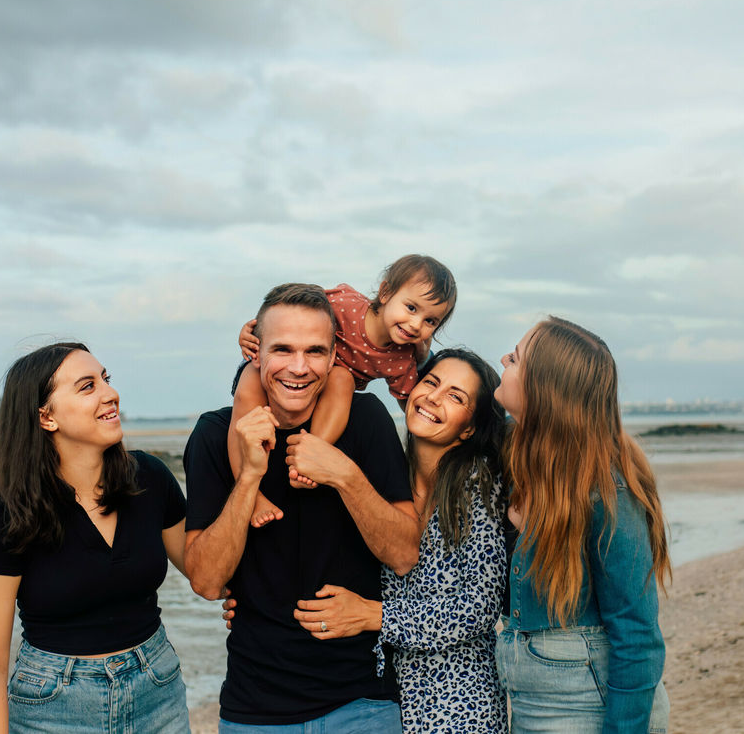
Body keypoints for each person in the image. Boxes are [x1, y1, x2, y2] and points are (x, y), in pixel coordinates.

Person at [227, 348, 510, 733]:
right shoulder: (384, 475)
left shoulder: (478, 486)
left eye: (456, 397)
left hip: (458, 701)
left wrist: (372, 615)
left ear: (469, 428)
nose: (434, 397)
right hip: (383, 700)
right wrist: (251, 601)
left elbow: (478, 609)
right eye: (431, 382)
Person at [183, 283, 423, 732]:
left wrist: (344, 474)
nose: (298, 367)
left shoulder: (367, 419)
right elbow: (207, 580)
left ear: (335, 356)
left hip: (363, 702)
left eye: (314, 351)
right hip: (255, 708)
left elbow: (405, 554)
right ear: (255, 355)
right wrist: (250, 477)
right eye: (282, 350)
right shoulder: (216, 435)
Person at [0, 342, 190, 733]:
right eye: (87, 386)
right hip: (53, 707)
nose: (110, 393)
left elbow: (210, 574)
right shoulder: (10, 514)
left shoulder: (151, 479)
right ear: (46, 417)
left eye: (106, 379)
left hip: (157, 689)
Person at [494, 318, 672, 734]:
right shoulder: (523, 453)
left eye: (515, 358)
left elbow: (638, 635)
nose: (502, 359)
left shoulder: (608, 491)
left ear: (543, 390)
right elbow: (450, 400)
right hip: (529, 700)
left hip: (588, 702)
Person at [228, 255, 457, 527]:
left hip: (328, 389)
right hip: (286, 371)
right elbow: (289, 311)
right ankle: (250, 492)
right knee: (248, 391)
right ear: (385, 293)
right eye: (410, 307)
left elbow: (410, 405)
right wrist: (250, 330)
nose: (416, 324)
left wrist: (423, 361)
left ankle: (308, 454)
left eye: (430, 321)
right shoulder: (345, 303)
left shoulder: (401, 359)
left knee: (342, 378)